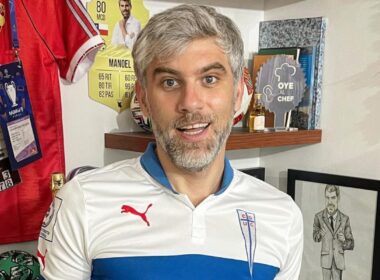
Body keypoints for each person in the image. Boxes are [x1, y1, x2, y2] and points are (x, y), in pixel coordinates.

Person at [37, 4, 303, 279]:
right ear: (144, 100)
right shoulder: (81, 202)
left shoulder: (282, 215)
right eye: (169, 83)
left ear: (237, 95)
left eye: (209, 79)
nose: (190, 103)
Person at [313, 185, 354, 280]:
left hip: (338, 261)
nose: (330, 202)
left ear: (338, 198)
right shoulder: (318, 217)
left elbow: (351, 244)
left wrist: (344, 241)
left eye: (333, 197)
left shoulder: (345, 219)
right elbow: (315, 237)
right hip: (326, 260)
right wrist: (319, 234)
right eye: (327, 198)